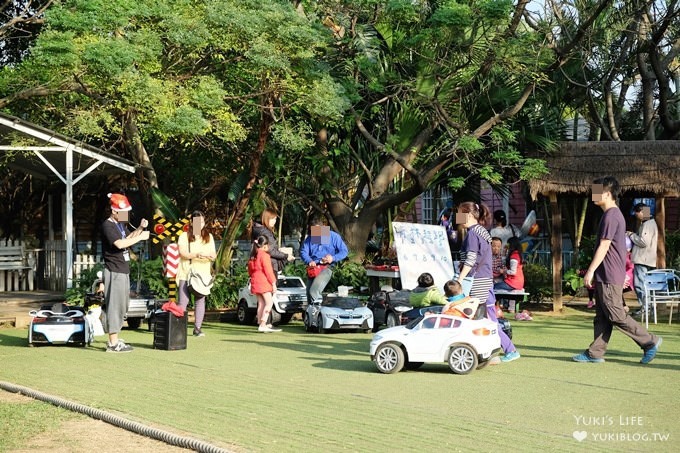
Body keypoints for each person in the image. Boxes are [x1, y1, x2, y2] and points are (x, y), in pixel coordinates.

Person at [573, 176, 662, 364]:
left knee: (615, 314)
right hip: (606, 274)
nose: (593, 195)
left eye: (596, 191)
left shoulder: (612, 215)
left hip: (609, 275)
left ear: (606, 193)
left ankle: (649, 342)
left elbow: (604, 246)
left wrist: (589, 271)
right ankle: (595, 353)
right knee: (602, 317)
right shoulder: (611, 215)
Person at [456, 201, 520, 363]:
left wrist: (459, 279)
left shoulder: (472, 233)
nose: (457, 218)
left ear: (468, 215)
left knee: (473, 318)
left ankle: (498, 350)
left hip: (476, 281)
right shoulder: (483, 231)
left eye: (459, 214)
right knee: (489, 319)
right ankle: (506, 349)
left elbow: (471, 259)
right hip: (486, 280)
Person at [100, 193, 150, 353]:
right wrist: (141, 237)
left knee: (123, 305)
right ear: (114, 211)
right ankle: (113, 343)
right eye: (123, 212)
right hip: (114, 270)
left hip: (123, 269)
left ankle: (115, 338)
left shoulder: (120, 224)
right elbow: (120, 243)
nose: (125, 215)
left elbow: (128, 237)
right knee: (115, 305)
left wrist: (141, 229)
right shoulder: (107, 225)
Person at [177, 210, 216, 337]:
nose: (200, 224)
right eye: (197, 221)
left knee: (200, 300)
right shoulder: (184, 236)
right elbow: (183, 253)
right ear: (192, 223)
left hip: (203, 275)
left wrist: (209, 256)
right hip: (186, 273)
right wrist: (197, 255)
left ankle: (197, 328)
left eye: (202, 221)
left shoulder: (209, 237)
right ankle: (179, 328)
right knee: (183, 302)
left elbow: (214, 255)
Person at [300, 216, 349, 302]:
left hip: (327, 267)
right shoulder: (310, 238)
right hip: (314, 267)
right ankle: (311, 313)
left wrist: (333, 258)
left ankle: (318, 312)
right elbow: (303, 252)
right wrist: (309, 260)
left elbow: (344, 251)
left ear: (323, 228)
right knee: (308, 293)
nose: (316, 233)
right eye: (314, 231)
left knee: (313, 291)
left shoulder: (333, 237)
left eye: (318, 231)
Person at [627, 202, 658, 317]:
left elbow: (643, 242)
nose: (636, 215)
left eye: (636, 213)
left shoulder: (647, 224)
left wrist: (631, 235)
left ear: (641, 212)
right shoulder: (650, 223)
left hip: (643, 259)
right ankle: (648, 307)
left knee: (640, 284)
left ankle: (645, 307)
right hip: (647, 259)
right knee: (645, 285)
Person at [247, 236, 281, 332]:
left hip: (255, 282)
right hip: (263, 282)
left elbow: (249, 271)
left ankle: (260, 322)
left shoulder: (253, 256)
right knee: (269, 302)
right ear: (265, 246)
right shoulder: (264, 256)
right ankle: (263, 323)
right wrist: (273, 283)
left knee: (261, 303)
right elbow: (268, 271)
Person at [251, 208, 294, 274]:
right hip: (269, 265)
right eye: (272, 219)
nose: (274, 221)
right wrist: (286, 255)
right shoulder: (265, 232)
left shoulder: (259, 230)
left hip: (261, 264)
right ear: (266, 218)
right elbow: (270, 250)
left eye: (275, 219)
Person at [493, 236, 525, 312]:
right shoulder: (517, 254)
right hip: (517, 282)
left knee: (493, 288)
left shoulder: (514, 256)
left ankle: (495, 308)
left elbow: (513, 272)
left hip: (513, 282)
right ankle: (501, 307)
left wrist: (502, 271)